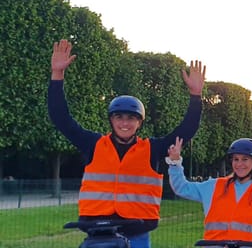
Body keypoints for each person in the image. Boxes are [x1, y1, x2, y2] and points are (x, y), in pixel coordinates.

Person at [48, 39, 205, 248]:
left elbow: (186, 130)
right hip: (98, 229)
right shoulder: (94, 144)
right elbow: (61, 119)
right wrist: (57, 76)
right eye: (119, 117)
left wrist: (196, 96)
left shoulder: (153, 148)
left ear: (139, 123)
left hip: (136, 230)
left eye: (131, 118)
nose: (124, 123)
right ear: (111, 120)